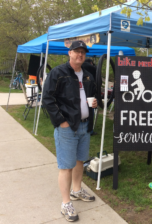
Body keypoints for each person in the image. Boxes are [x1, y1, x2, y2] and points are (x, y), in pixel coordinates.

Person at [43, 40, 97, 222]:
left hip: (84, 125)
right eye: (77, 51)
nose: (80, 54)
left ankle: (76, 191)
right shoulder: (58, 73)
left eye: (83, 52)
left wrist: (94, 103)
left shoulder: (88, 75)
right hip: (67, 127)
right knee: (66, 166)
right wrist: (61, 122)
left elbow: (90, 97)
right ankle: (66, 203)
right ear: (70, 53)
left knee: (80, 161)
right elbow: (47, 99)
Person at [82, 58, 98, 136]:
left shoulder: (80, 67)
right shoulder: (92, 68)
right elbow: (97, 80)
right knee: (90, 110)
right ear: (91, 62)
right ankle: (90, 130)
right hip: (90, 92)